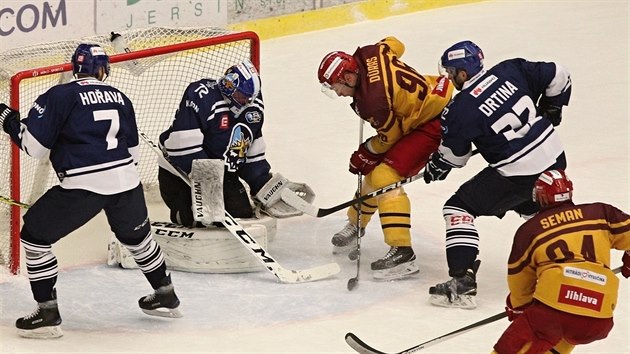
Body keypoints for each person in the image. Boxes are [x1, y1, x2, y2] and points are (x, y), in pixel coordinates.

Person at [0, 44, 181, 339]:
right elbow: (133, 153)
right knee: (137, 239)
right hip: (127, 183)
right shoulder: (120, 97)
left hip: (83, 187)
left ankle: (47, 313)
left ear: (75, 68)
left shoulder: (60, 95)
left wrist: (8, 120)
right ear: (102, 69)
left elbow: (33, 146)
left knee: (34, 237)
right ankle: (166, 294)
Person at [423, 40, 572, 308]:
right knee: (534, 207)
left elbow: (456, 157)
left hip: (519, 171)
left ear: (462, 73)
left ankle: (461, 282)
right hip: (554, 157)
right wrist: (553, 106)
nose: (449, 77)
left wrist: (437, 165)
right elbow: (560, 74)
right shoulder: (511, 70)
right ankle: (564, 266)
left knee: (458, 207)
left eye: (450, 72)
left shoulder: (459, 109)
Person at [317, 36, 454, 280]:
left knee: (385, 175)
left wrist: (365, 152)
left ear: (349, 77)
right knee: (374, 173)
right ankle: (355, 223)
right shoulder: (371, 52)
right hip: (437, 90)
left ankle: (403, 251)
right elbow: (396, 43)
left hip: (434, 120)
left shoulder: (373, 103)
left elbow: (390, 137)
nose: (337, 93)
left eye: (336, 86)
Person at [158, 59, 313, 227]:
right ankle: (185, 218)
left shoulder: (253, 106)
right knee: (200, 218)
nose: (246, 102)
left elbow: (250, 152)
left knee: (241, 214)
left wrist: (263, 183)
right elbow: (183, 148)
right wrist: (210, 188)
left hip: (221, 171)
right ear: (228, 86)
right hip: (178, 171)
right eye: (242, 96)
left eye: (249, 98)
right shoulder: (201, 95)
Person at [492, 169, 630, 353]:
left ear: (539, 197)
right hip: (600, 317)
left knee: (517, 345)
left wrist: (519, 308)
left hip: (554, 311)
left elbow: (520, 282)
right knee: (558, 338)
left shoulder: (530, 230)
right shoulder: (601, 213)